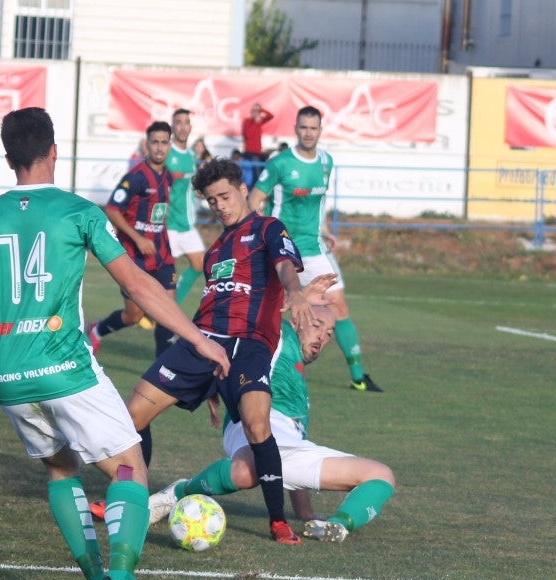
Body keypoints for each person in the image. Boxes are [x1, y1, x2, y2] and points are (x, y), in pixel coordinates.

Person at [0, 107, 230, 580]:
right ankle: (120, 577)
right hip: (65, 366)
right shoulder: (78, 212)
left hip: (11, 376)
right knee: (129, 467)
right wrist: (199, 340)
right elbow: (138, 285)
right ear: (55, 151)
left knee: (60, 467)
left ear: (8, 159)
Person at [124, 157, 335, 545]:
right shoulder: (217, 249)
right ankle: (132, 499)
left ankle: (277, 521)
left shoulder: (269, 228)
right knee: (130, 417)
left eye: (224, 196)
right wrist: (209, 383)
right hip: (203, 342)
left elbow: (286, 265)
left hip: (250, 345)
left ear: (242, 189)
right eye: (211, 201)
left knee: (257, 425)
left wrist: (294, 291)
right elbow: (210, 303)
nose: (219, 206)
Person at [146, 305, 395, 543]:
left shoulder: (298, 380)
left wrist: (304, 512)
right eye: (316, 325)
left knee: (380, 475)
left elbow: (297, 448)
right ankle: (176, 493)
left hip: (287, 442)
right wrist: (299, 292)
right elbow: (261, 310)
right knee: (247, 470)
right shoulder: (279, 336)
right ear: (295, 321)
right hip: (257, 421)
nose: (322, 337)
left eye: (329, 333)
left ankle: (338, 524)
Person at [250, 105, 383, 393]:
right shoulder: (280, 163)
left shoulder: (326, 162)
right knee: (272, 308)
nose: (308, 133)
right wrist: (263, 235)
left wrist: (322, 229)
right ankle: (266, 365)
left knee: (338, 304)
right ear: (296, 129)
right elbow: (254, 201)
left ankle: (358, 377)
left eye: (313, 128)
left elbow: (319, 202)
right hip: (283, 248)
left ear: (320, 131)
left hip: (312, 247)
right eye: (303, 127)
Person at [86, 120, 175, 357]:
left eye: (164, 143)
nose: (159, 147)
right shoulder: (136, 177)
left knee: (168, 313)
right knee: (133, 316)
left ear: (169, 145)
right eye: (154, 142)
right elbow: (112, 210)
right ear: (147, 145)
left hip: (162, 255)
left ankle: (162, 372)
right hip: (135, 258)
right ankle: (96, 330)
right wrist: (138, 239)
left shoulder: (168, 177)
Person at [165, 108, 205, 308]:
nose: (182, 126)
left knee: (199, 264)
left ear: (190, 127)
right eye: (178, 122)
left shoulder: (190, 155)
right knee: (164, 275)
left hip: (187, 225)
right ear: (172, 127)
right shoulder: (166, 153)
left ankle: (172, 307)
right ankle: (153, 311)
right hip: (169, 224)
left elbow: (190, 187)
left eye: (186, 122)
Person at [240, 102, 274, 185]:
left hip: (257, 153)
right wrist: (256, 123)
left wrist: (261, 109)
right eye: (253, 110)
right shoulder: (247, 121)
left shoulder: (259, 121)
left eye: (257, 111)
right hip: (249, 153)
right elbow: (248, 135)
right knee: (250, 177)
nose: (255, 112)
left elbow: (271, 116)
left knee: (258, 175)